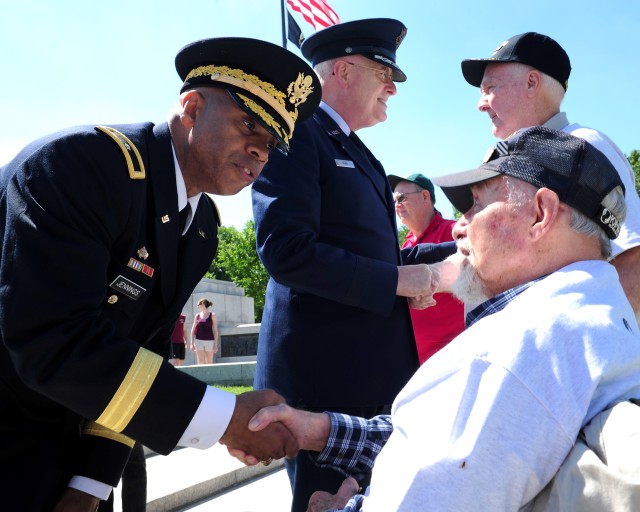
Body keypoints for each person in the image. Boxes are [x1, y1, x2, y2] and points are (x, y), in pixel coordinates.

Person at [236, 127, 640, 511]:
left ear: (540, 214)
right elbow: (448, 439)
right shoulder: (592, 316)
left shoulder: (523, 348)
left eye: (476, 205)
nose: (460, 227)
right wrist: (319, 430)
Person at [0, 36, 321, 511]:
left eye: (270, 143)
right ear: (192, 107)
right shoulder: (83, 165)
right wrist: (229, 418)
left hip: (71, 457)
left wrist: (90, 486)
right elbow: (54, 341)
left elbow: (141, 352)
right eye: (248, 123)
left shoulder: (202, 226)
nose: (259, 151)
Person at [251, 18, 456, 511]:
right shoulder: (298, 134)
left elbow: (372, 256)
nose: (392, 87)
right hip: (325, 386)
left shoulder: (351, 147)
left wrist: (450, 257)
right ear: (342, 71)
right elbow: (286, 250)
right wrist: (396, 280)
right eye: (384, 72)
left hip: (366, 382)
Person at [460, 31, 640, 321]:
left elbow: (633, 258)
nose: (481, 104)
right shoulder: (515, 161)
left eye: (489, 88)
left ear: (532, 83)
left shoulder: (585, 147)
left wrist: (590, 351)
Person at [388, 173, 465, 363]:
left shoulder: (455, 232)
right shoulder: (403, 249)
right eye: (393, 200)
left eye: (401, 197)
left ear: (425, 196)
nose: (396, 204)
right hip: (416, 364)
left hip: (455, 358)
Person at [191, 298, 219, 365]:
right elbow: (193, 330)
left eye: (198, 304)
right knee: (200, 362)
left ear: (203, 304)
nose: (197, 306)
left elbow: (215, 331)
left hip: (209, 341)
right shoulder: (197, 316)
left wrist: (215, 344)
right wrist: (192, 343)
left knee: (209, 362)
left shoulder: (212, 315)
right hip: (198, 341)